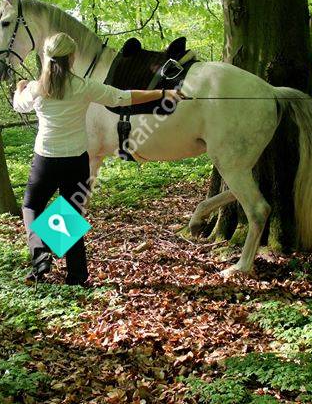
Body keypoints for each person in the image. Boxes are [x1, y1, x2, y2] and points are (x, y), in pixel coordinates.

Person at [13, 32, 185, 286]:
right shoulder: (83, 86)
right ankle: (77, 276)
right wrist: (162, 93)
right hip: (76, 161)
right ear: (71, 57)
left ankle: (40, 257)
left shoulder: (36, 89)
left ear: (47, 57)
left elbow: (19, 105)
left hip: (46, 160)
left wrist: (20, 87)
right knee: (70, 213)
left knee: (31, 207)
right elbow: (122, 97)